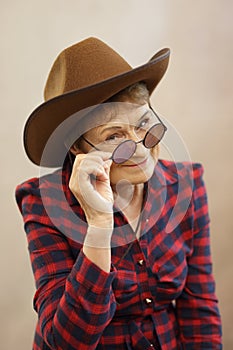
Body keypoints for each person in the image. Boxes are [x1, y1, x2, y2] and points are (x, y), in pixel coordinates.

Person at [16, 37, 222, 349]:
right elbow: (65, 342)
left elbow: (200, 311)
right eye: (115, 136)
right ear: (77, 147)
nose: (140, 149)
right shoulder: (44, 204)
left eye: (144, 125)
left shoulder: (186, 185)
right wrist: (98, 227)